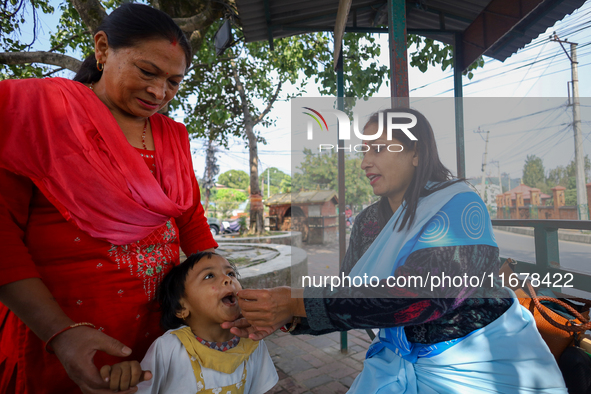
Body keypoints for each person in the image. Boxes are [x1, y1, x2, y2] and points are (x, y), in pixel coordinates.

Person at [224, 108, 568, 393]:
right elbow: (352, 300)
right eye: (363, 150)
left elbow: (425, 298)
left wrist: (294, 302)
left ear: (416, 152)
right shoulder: (368, 223)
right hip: (399, 363)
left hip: (481, 368)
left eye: (379, 149)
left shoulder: (461, 205)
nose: (365, 162)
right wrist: (281, 316)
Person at [0, 4, 217, 393]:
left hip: (156, 322)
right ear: (102, 49)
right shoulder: (36, 111)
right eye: (147, 72)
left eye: (173, 82)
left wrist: (226, 289)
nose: (158, 92)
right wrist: (60, 333)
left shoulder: (173, 135)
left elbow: (190, 220)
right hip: (61, 325)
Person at [100, 252, 278, 393]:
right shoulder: (168, 348)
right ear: (181, 308)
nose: (228, 279)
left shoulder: (253, 342)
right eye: (209, 276)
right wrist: (125, 379)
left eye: (230, 273)